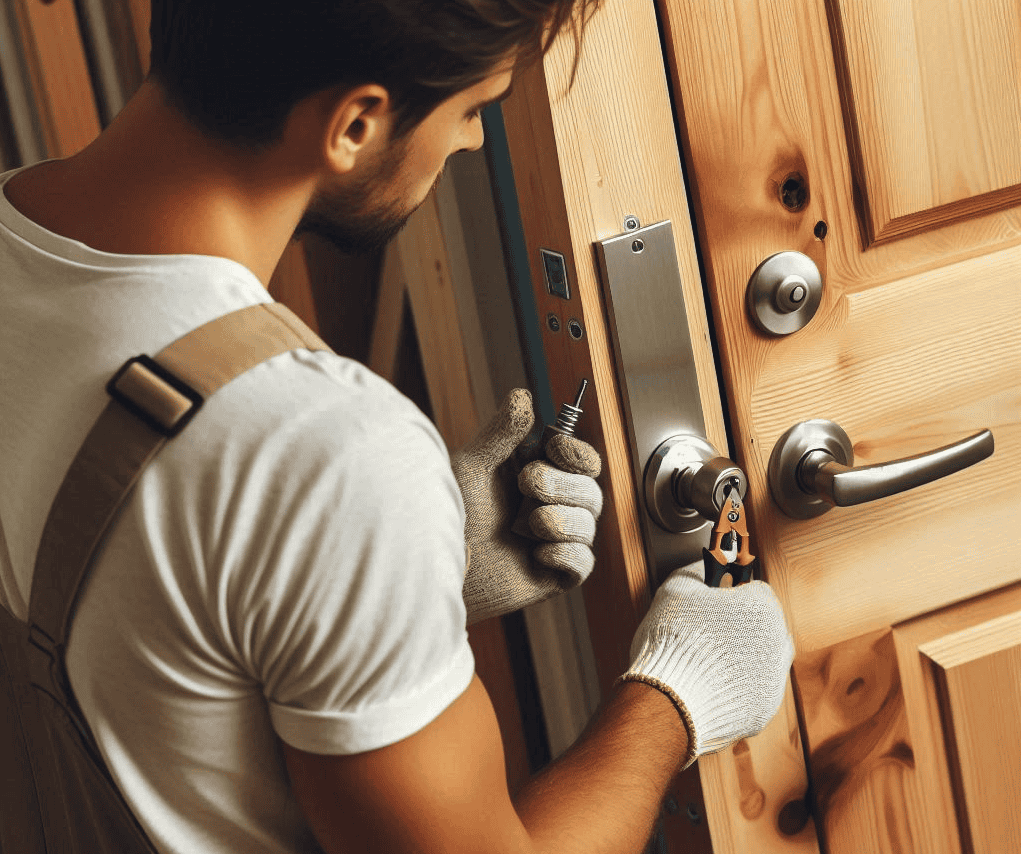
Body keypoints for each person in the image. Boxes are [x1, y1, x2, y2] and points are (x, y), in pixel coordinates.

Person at [0, 1, 794, 852]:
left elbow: (138, 632)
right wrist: (675, 697)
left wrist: (393, 565)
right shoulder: (322, 454)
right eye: (472, 110)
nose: (473, 144)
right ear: (355, 124)